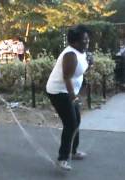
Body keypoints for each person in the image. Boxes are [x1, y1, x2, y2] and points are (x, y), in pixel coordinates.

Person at [46, 25, 92, 171]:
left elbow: (80, 71)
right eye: (84, 39)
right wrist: (73, 97)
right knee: (71, 123)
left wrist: (90, 64)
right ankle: (62, 158)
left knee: (77, 120)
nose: (87, 41)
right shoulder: (70, 55)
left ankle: (73, 151)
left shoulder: (81, 52)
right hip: (59, 91)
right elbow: (67, 77)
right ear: (75, 42)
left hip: (70, 92)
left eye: (87, 38)